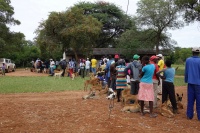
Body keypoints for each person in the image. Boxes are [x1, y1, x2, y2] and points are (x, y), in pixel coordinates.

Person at [185, 47, 200, 121]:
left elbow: (186, 71)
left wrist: (186, 80)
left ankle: (189, 115)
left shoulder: (188, 60)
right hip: (199, 84)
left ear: (192, 52)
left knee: (190, 100)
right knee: (199, 100)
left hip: (190, 82)